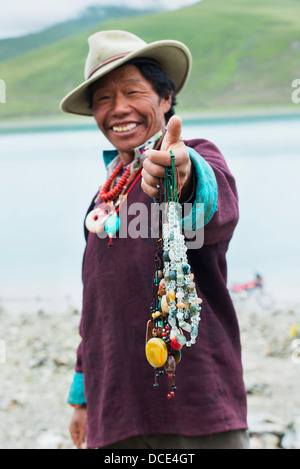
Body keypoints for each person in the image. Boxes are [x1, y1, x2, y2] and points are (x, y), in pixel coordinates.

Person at [60, 30, 249, 450]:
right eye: (103, 99)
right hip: (115, 414)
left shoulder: (194, 155)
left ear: (165, 99)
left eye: (132, 92)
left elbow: (213, 205)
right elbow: (96, 305)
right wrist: (82, 398)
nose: (118, 109)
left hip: (195, 413)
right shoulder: (103, 199)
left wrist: (180, 176)